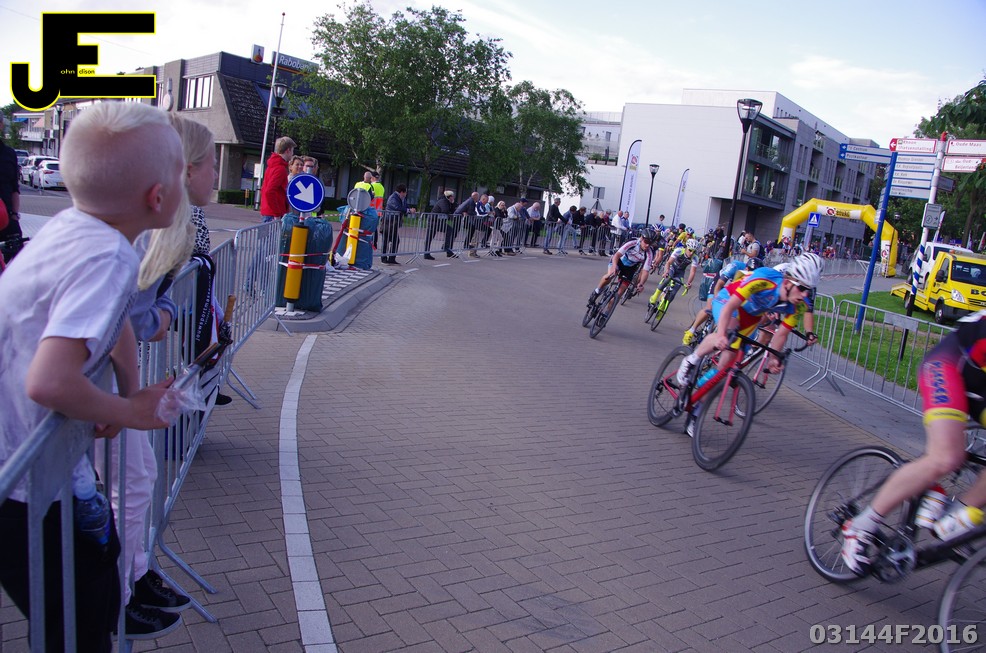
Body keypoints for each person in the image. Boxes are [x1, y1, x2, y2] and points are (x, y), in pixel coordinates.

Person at [0, 102, 181, 653]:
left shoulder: (73, 229)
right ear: (157, 197)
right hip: (23, 487)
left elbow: (105, 327)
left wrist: (114, 397)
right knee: (78, 627)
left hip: (37, 477)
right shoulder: (107, 257)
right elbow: (50, 382)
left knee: (90, 601)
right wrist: (131, 411)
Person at [839, 311, 986, 574]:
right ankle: (860, 527)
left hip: (979, 385)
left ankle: (955, 513)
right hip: (948, 366)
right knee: (946, 457)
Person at [675, 253, 823, 390]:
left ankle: (698, 401)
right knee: (727, 334)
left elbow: (781, 334)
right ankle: (691, 360)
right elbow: (731, 306)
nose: (805, 295)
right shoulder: (765, 279)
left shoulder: (799, 305)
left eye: (809, 291)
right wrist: (721, 334)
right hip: (729, 299)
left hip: (751, 316)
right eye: (802, 288)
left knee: (725, 367)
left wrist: (773, 358)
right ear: (787, 282)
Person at [588, 227, 656, 304]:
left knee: (619, 293)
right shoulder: (632, 243)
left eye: (650, 243)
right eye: (646, 241)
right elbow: (617, 255)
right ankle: (597, 291)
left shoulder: (649, 253)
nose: (647, 245)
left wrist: (641, 284)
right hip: (619, 261)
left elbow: (645, 271)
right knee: (610, 275)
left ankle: (606, 311)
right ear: (641, 238)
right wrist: (614, 267)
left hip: (630, 268)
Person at [648, 238, 701, 310]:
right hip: (672, 267)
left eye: (694, 251)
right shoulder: (679, 250)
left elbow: (692, 272)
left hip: (680, 272)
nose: (691, 253)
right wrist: (666, 272)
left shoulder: (695, 258)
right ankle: (654, 297)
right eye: (690, 250)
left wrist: (689, 283)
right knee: (667, 279)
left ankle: (663, 309)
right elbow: (669, 262)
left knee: (674, 291)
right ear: (686, 247)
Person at [0, 113, 23, 262]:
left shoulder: (9, 154)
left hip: (6, 219)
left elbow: (14, 188)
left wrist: (14, 216)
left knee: (18, 260)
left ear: (1, 125)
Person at [260, 136, 296, 223]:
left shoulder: (272, 165)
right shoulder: (280, 169)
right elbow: (269, 191)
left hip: (268, 211)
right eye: (292, 151)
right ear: (288, 150)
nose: (292, 154)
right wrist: (277, 214)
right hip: (273, 214)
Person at [382, 184, 414, 264]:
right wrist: (408, 210)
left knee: (394, 240)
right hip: (389, 221)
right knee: (387, 240)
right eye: (405, 192)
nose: (406, 194)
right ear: (402, 192)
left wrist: (410, 209)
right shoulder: (393, 198)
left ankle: (391, 258)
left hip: (394, 222)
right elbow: (397, 208)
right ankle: (384, 259)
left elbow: (405, 206)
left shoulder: (402, 198)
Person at [423, 189, 455, 260]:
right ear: (449, 196)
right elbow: (445, 210)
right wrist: (450, 210)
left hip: (438, 221)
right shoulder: (443, 201)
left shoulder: (447, 202)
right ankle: (427, 253)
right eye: (452, 196)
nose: (453, 197)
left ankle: (446, 248)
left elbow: (452, 211)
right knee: (430, 237)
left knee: (449, 230)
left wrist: (452, 204)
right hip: (434, 221)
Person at [454, 191, 480, 257]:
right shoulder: (471, 202)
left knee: (472, 228)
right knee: (471, 228)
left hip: (460, 216)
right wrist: (475, 214)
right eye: (478, 197)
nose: (478, 198)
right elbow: (470, 211)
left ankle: (466, 244)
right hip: (458, 217)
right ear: (475, 196)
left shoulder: (470, 201)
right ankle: (465, 244)